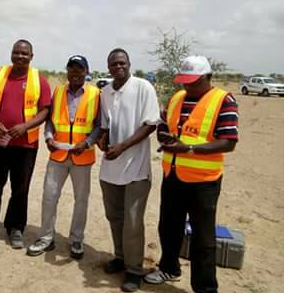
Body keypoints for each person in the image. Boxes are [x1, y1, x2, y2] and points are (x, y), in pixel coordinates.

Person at [144, 55, 238, 293]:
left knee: (203, 239)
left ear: (207, 77)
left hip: (203, 183)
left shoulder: (223, 100)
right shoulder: (177, 98)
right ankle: (169, 268)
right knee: (168, 227)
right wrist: (164, 137)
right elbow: (164, 124)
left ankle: (205, 288)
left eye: (193, 82)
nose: (187, 87)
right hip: (172, 176)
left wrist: (188, 148)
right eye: (184, 82)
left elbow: (228, 142)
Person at [0, 39, 51, 249]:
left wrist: (26, 126)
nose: (20, 56)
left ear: (31, 56)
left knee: (20, 190)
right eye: (16, 52)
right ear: (11, 54)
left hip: (26, 146)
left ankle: (15, 229)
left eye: (25, 53)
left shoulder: (39, 79)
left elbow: (45, 110)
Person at [98, 48, 160, 292]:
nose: (118, 67)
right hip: (110, 168)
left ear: (129, 64)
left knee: (133, 221)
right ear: (109, 66)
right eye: (113, 64)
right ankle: (121, 257)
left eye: (122, 63)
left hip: (136, 169)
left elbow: (151, 124)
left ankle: (135, 270)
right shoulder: (105, 91)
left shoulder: (143, 87)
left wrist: (123, 146)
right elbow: (105, 125)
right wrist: (103, 140)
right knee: (115, 217)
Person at [26, 55, 100, 260]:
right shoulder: (58, 90)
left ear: (86, 72)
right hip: (57, 154)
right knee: (49, 197)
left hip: (82, 156)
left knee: (81, 201)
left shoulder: (96, 94)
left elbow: (99, 126)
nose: (75, 73)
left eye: (80, 69)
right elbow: (50, 120)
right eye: (72, 68)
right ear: (67, 71)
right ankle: (46, 237)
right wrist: (48, 137)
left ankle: (76, 239)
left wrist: (86, 143)